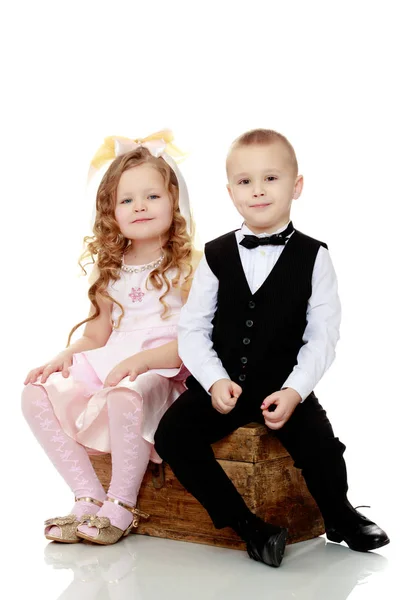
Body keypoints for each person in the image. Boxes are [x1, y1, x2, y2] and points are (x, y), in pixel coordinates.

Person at [154, 128, 390, 567]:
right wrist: (214, 379)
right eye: (245, 182)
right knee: (172, 436)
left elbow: (323, 334)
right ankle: (250, 527)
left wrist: (296, 390)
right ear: (230, 193)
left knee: (320, 444)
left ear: (296, 186)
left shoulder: (314, 256)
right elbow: (192, 329)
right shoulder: (216, 254)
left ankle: (339, 514)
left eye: (271, 179)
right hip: (221, 385)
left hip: (283, 384)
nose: (258, 190)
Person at [22, 131, 198, 545]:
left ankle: (121, 504)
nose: (139, 206)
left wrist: (144, 361)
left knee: (126, 392)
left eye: (152, 196)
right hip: (115, 360)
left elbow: (198, 337)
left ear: (174, 201)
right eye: (126, 199)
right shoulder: (111, 270)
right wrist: (65, 354)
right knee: (36, 393)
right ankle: (88, 497)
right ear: (110, 212)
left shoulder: (190, 266)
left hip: (164, 365)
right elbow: (97, 334)